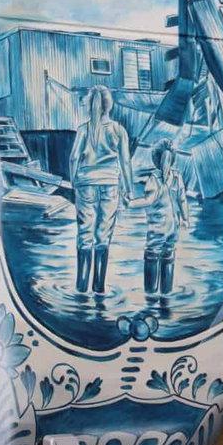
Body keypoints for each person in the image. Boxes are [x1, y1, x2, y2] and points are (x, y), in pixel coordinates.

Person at [70, 85, 133, 293]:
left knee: (84, 234)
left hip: (85, 184)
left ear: (90, 105)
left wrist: (74, 182)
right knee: (103, 236)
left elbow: (74, 158)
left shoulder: (83, 130)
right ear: (110, 105)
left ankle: (81, 287)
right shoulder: (118, 130)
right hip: (110, 185)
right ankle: (99, 287)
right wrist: (129, 189)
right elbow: (125, 162)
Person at [129, 139, 189, 295]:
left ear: (156, 160)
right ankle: (165, 294)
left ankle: (151, 294)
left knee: (152, 255)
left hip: (158, 228)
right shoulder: (176, 177)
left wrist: (129, 203)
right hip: (173, 227)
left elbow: (147, 200)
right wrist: (185, 218)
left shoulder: (154, 179)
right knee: (168, 255)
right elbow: (182, 200)